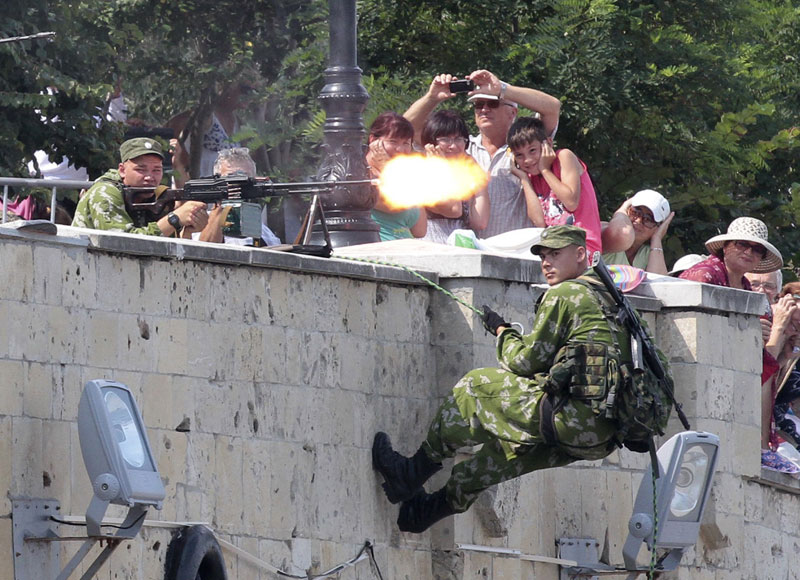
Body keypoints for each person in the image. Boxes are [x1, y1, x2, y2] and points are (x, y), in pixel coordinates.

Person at [372, 225, 663, 533]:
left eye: (555, 254)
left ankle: (410, 473)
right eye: (543, 256)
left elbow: (524, 361)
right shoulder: (616, 300)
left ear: (580, 255)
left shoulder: (566, 293)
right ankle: (422, 514)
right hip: (602, 436)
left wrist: (502, 331)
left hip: (571, 419)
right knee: (506, 452)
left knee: (474, 389)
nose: (547, 263)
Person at [404, 71, 561, 238]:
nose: (484, 109)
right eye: (478, 104)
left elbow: (553, 107)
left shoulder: (529, 149)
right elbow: (404, 131)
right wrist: (431, 97)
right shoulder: (459, 147)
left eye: (493, 103)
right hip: (471, 254)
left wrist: (502, 89)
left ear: (513, 113)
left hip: (518, 252)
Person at [71, 138, 208, 236]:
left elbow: (162, 246)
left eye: (156, 170)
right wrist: (173, 220)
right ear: (122, 170)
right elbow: (122, 242)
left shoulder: (155, 195)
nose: (149, 177)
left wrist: (186, 230)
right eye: (141, 169)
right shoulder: (104, 192)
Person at [507, 116, 602, 258]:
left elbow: (571, 202)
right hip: (554, 251)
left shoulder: (564, 157)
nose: (527, 160)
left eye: (532, 150)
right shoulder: (532, 177)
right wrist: (525, 179)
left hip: (582, 248)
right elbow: (539, 222)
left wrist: (545, 170)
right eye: (519, 155)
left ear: (548, 144)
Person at [418, 111, 489, 243]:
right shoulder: (421, 172)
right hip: (432, 245)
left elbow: (480, 222)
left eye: (458, 139)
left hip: (462, 246)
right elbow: (454, 210)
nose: (453, 146)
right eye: (445, 139)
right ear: (430, 142)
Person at [195, 147, 281, 246]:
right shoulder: (202, 222)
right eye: (231, 177)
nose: (239, 184)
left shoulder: (263, 232)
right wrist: (223, 206)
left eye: (245, 178)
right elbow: (204, 249)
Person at [366, 112, 427, 241]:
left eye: (406, 143)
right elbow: (395, 203)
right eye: (393, 141)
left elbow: (420, 230)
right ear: (373, 140)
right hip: (375, 252)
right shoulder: (361, 173)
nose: (400, 149)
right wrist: (385, 166)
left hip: (406, 251)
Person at [678, 217, 782, 289]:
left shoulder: (745, 284)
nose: (749, 251)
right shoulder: (704, 275)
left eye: (758, 249)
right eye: (742, 244)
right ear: (725, 247)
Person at [602, 190, 674, 274]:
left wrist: (657, 238)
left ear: (658, 227)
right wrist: (622, 209)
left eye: (648, 219)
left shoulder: (649, 253)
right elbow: (620, 233)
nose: (638, 220)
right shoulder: (604, 230)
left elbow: (660, 284)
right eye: (635, 212)